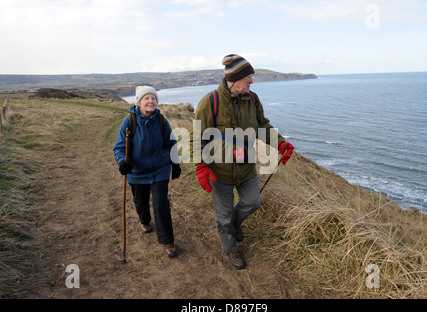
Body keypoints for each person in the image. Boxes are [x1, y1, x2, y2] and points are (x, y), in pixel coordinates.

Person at [193, 54, 294, 269]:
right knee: (224, 215)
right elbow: (197, 136)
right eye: (248, 77)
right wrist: (201, 165)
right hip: (219, 170)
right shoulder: (210, 101)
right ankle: (230, 249)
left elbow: (263, 125)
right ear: (235, 79)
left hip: (246, 166)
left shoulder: (252, 99)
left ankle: (235, 224)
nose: (252, 81)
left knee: (252, 202)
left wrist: (281, 144)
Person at [113, 86, 181, 258]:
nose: (150, 101)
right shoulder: (129, 121)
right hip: (136, 171)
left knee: (161, 204)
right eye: (147, 98)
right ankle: (144, 220)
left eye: (153, 98)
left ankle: (168, 241)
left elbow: (171, 143)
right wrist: (122, 163)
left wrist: (175, 164)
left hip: (160, 169)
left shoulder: (161, 121)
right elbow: (120, 147)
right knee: (140, 201)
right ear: (139, 101)